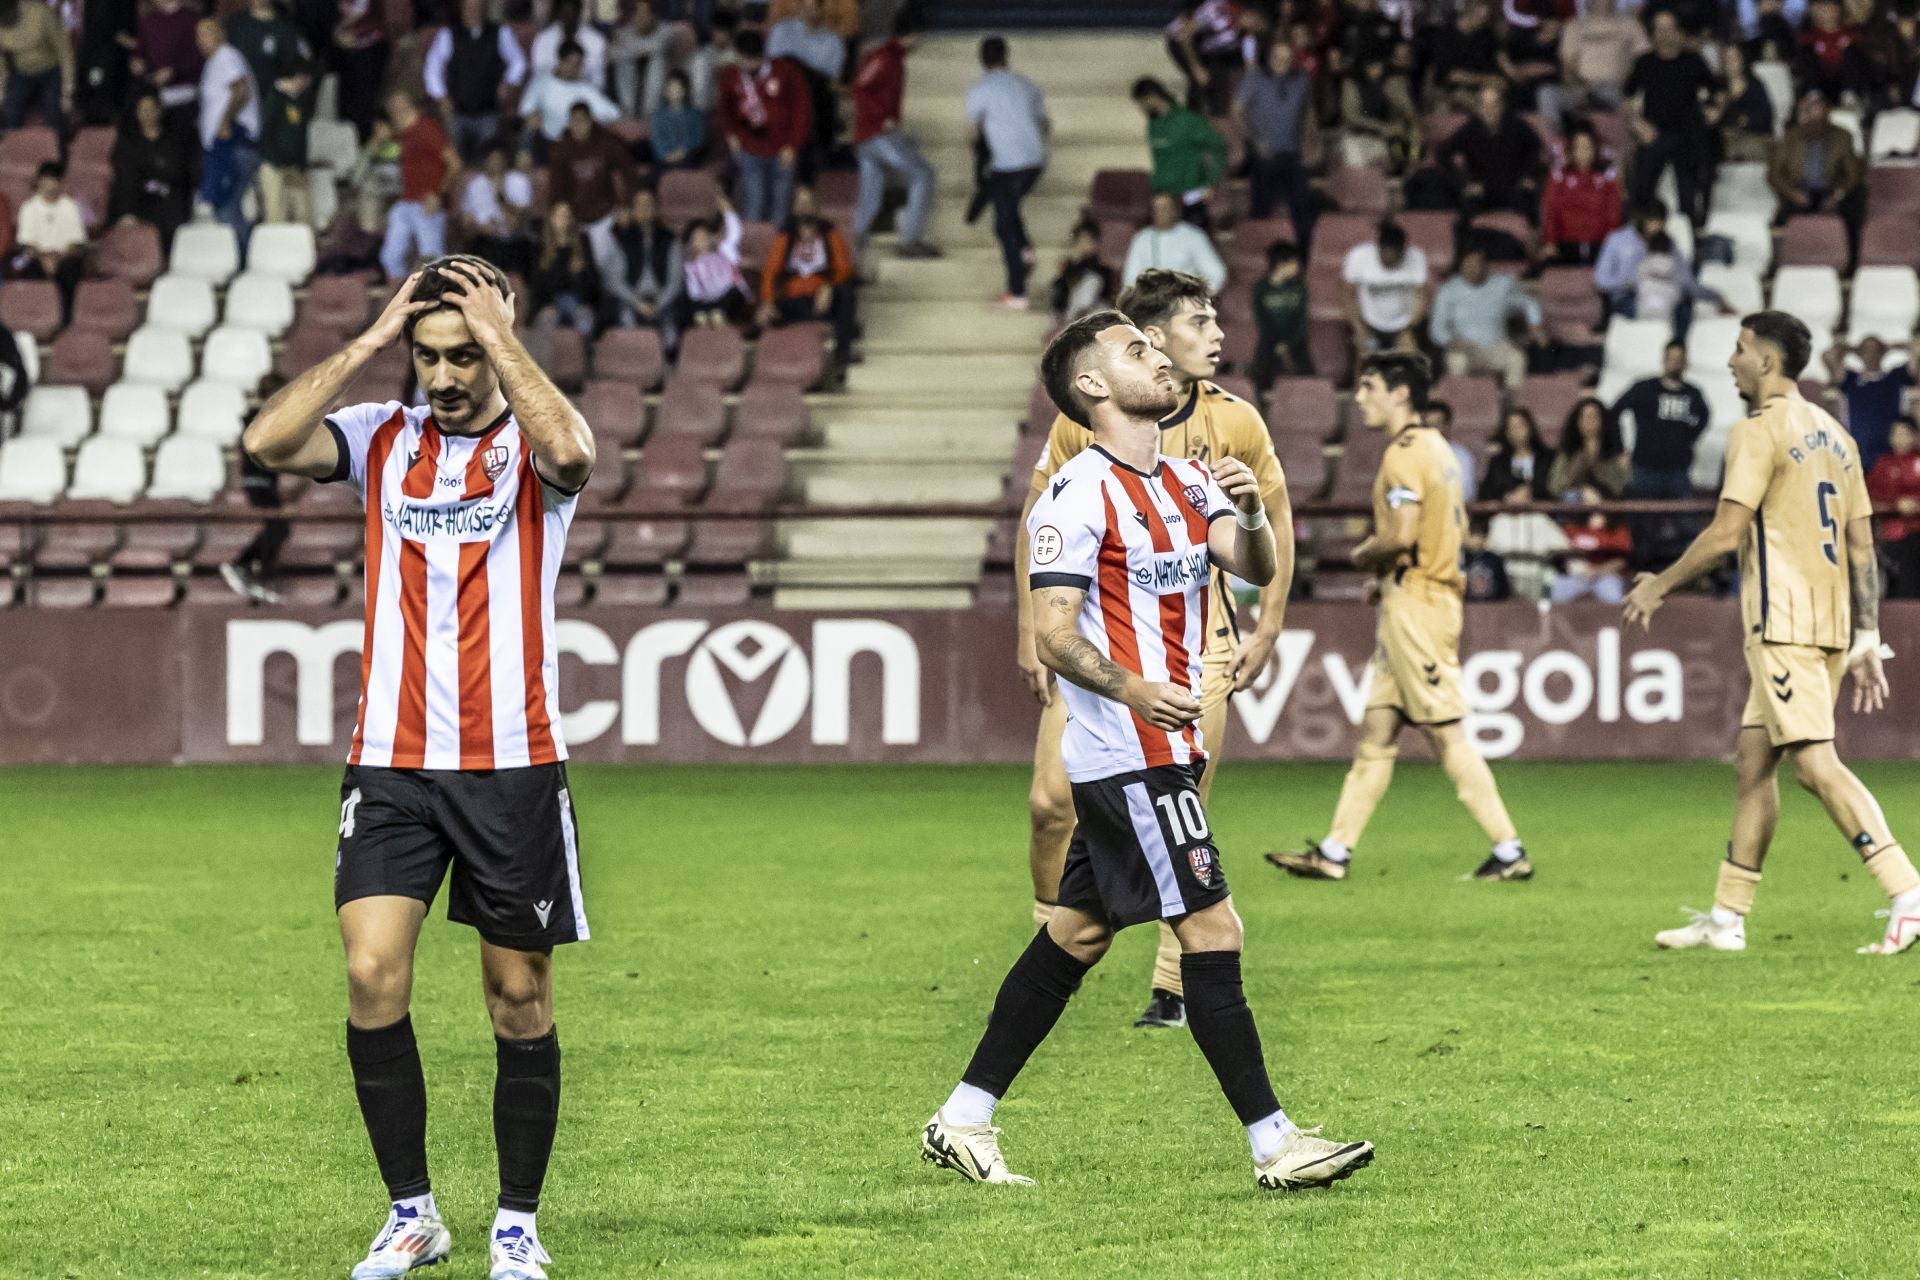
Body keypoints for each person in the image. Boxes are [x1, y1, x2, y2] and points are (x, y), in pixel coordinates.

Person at [926, 308, 1371, 1194]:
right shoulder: (1076, 493)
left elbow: (1254, 565)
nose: (1159, 356)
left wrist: (1249, 509)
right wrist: (1133, 689)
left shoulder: (1184, 481)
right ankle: (1274, 1144)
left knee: (1077, 932)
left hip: (1158, 746)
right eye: (1137, 350)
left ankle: (963, 1116)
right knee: (1215, 927)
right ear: (1092, 387)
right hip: (1128, 752)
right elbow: (1053, 634)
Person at [239, 255, 595, 1280]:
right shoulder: (381, 438)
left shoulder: (532, 447)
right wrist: (366, 337)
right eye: (427, 354)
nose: (443, 376)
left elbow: (574, 450)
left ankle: (517, 1223)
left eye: (461, 354)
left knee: (516, 997)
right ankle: (413, 1213)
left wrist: (502, 339)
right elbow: (266, 442)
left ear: (496, 346)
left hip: (512, 763)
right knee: (369, 972)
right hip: (388, 760)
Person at [1017, 270, 1294, 1031]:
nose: (1215, 337)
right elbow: (1041, 532)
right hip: (1104, 656)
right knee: (1053, 808)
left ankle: (1173, 986)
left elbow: (1266, 530)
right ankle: (1051, 948)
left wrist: (1267, 619)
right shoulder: (1087, 445)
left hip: (1194, 647)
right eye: (1197, 323)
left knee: (1184, 823)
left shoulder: (1230, 427)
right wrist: (1037, 631)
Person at [1626, 310, 1920, 957]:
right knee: (1754, 765)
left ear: (1765, 359)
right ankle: (1728, 918)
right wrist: (1867, 633)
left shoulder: (1757, 431)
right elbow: (1863, 548)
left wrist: (1659, 584)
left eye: (1738, 349)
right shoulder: (1837, 436)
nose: (1731, 360)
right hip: (1831, 621)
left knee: (1816, 766)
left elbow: (1727, 533)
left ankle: (1906, 890)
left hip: (1782, 622)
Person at [1267, 352, 1533, 884]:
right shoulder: (1439, 449)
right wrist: (1384, 579)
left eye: (1369, 387)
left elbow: (1402, 535)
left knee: (1449, 735)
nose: (1360, 397)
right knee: (1377, 736)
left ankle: (1510, 851)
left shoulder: (1405, 454)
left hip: (1420, 607)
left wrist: (1365, 554)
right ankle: (1335, 853)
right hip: (1411, 598)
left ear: (1400, 393)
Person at [964, 35, 1048, 310]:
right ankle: (1024, 251)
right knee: (1008, 208)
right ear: (1006, 56)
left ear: (982, 60)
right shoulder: (1026, 85)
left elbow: (973, 131)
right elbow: (1045, 123)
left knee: (1003, 224)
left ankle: (1017, 292)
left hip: (1008, 165)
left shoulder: (980, 90)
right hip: (1034, 162)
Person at [1615, 340, 1711, 571]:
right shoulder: (1644, 388)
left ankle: (1689, 574)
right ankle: (1641, 571)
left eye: (1680, 359)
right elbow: (1614, 411)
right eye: (1672, 358)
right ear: (1664, 359)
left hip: (1677, 471)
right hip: (1645, 469)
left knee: (1687, 525)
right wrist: (1619, 449)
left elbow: (1704, 419)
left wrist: (1688, 441)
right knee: (1641, 526)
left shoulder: (1693, 394)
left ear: (1686, 362)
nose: (1675, 363)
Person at [851, 19, 939, 259]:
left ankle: (854, 248)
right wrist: (882, 117)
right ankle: (910, 239)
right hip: (876, 134)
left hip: (869, 135)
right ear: (910, 35)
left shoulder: (892, 58)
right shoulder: (885, 58)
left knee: (870, 193)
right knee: (923, 174)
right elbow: (860, 86)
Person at [227, 0, 316, 226]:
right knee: (271, 209)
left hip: (289, 158)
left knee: (300, 214)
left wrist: (298, 162)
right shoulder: (235, 25)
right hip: (248, 128)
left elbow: (302, 67)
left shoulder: (285, 30)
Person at [1624, 10, 1716, 227]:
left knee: (1688, 196)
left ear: (1678, 32)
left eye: (1668, 28)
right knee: (1642, 191)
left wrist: (1714, 110)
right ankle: (1642, 236)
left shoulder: (1693, 61)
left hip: (1687, 136)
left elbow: (1715, 90)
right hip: (1653, 134)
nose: (1664, 34)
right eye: (1659, 29)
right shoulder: (1644, 63)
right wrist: (1638, 124)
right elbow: (1627, 98)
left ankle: (1689, 243)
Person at [715, 28, 811, 227]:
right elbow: (725, 111)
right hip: (750, 149)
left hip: (783, 150)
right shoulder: (730, 76)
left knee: (781, 209)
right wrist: (731, 135)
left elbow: (802, 111)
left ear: (762, 55)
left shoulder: (786, 71)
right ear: (737, 55)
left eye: (753, 60)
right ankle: (754, 255)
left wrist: (793, 145)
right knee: (754, 206)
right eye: (744, 59)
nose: (749, 64)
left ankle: (777, 256)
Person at [757, 185, 857, 360]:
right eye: (800, 203)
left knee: (847, 293)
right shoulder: (785, 235)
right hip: (793, 298)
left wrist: (829, 287)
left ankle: (842, 352)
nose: (804, 206)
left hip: (822, 298)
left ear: (816, 207)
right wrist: (768, 301)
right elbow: (770, 272)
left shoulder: (829, 232)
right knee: (764, 316)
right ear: (794, 207)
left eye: (808, 202)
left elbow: (844, 268)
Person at [548, 100, 641, 286]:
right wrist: (560, 216)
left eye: (582, 121)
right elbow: (556, 188)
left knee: (604, 267)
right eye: (574, 121)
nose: (578, 126)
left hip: (603, 215)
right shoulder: (562, 148)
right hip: (575, 220)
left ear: (590, 121)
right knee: (580, 270)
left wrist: (627, 205)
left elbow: (629, 172)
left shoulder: (605, 142)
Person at [423, 0, 529, 162]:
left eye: (477, 7)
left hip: (488, 111)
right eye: (469, 7)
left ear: (484, 9)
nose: (473, 11)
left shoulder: (500, 32)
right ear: (462, 9)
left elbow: (518, 61)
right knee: (454, 162)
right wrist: (441, 96)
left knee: (487, 162)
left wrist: (508, 82)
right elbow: (432, 67)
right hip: (456, 112)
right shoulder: (448, 34)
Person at [1429, 241, 1544, 389]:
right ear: (1461, 266)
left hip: (1497, 345)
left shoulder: (1503, 284)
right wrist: (1450, 340)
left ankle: (1511, 407)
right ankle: (1462, 405)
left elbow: (1528, 303)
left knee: (1517, 358)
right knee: (1456, 360)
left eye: (1478, 263)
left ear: (1485, 265)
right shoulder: (1448, 290)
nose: (1473, 269)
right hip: (1465, 347)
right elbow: (1436, 329)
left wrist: (1535, 324)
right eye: (1468, 264)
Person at [1233, 39, 1313, 246]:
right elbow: (1237, 111)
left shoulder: (1301, 79)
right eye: (1278, 58)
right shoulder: (1254, 78)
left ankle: (1302, 258)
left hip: (1292, 153)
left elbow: (1308, 113)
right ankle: (1259, 250)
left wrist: (1311, 141)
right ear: (1269, 58)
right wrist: (1255, 141)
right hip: (1264, 153)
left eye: (1287, 58)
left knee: (1303, 206)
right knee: (1262, 207)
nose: (1282, 62)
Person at [1768, 89, 1864, 253]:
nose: (1815, 115)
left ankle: (1850, 262)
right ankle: (1782, 262)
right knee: (1782, 216)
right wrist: (1792, 193)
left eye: (1819, 109)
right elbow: (1774, 174)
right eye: (1811, 110)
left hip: (1830, 190)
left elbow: (1853, 174)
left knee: (1852, 207)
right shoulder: (1790, 137)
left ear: (1828, 112)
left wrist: (1838, 193)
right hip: (1799, 190)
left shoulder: (1842, 136)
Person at [198, 16, 261, 256]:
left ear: (221, 33)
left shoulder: (226, 56)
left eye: (207, 32)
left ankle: (243, 260)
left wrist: (225, 122)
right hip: (223, 144)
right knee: (224, 206)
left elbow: (241, 89)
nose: (201, 40)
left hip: (233, 143)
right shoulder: (216, 61)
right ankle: (238, 258)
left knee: (227, 206)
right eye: (199, 35)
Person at [380, 91, 459, 283]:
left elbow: (455, 163)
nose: (394, 110)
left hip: (427, 204)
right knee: (390, 257)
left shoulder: (427, 128)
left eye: (397, 105)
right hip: (406, 202)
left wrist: (438, 196)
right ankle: (399, 298)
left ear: (408, 106)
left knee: (432, 260)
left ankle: (434, 301)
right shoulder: (405, 134)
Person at [1436, 80, 1544, 220]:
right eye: (1484, 105)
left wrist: (1528, 175)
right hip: (1482, 190)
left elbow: (1535, 147)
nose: (1488, 110)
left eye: (1493, 105)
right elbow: (1443, 153)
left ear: (1502, 105)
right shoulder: (1470, 129)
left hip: (1512, 188)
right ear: (1479, 107)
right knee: (1463, 217)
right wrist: (1464, 184)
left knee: (1529, 210)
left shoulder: (1516, 125)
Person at [1131, 76, 1227, 230]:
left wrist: (1211, 181)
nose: (1141, 109)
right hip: (1165, 196)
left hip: (1189, 194)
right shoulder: (1153, 124)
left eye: (1141, 103)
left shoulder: (1187, 120)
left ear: (1153, 98)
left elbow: (1217, 146)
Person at [107, 90, 193, 249]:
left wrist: (154, 175)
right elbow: (126, 175)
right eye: (142, 110)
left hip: (168, 201)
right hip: (139, 201)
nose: (146, 114)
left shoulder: (174, 141)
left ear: (159, 110)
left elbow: (177, 172)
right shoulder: (129, 142)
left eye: (150, 109)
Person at [1542, 0, 1647, 123]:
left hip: (1618, 88)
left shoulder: (1630, 24)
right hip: (1581, 89)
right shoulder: (1574, 26)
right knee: (1546, 93)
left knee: (1607, 88)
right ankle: (1555, 141)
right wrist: (1578, 86)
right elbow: (1567, 67)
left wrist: (1630, 83)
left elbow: (1645, 60)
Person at [1823, 335, 1914, 469]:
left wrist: (1893, 346)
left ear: (1882, 352)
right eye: (1865, 349)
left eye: (1875, 349)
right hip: (1856, 455)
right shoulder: (1851, 379)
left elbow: (1917, 349)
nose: (1870, 353)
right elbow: (1829, 356)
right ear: (1859, 353)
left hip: (1889, 457)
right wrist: (1851, 348)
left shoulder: (1895, 377)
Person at [1538, 124, 1622, 267]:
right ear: (1571, 151)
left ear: (1595, 149)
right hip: (1566, 244)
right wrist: (1550, 242)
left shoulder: (1607, 178)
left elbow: (1613, 214)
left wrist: (1612, 246)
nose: (1584, 152)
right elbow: (1551, 210)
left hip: (1600, 245)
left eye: (1588, 147)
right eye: (1579, 148)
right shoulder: (1559, 177)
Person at [1342, 219, 1428, 358]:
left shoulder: (1417, 257)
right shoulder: (1358, 256)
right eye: (1384, 256)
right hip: (1369, 322)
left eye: (1394, 259)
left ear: (1403, 252)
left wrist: (1409, 329)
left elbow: (1421, 298)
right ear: (1378, 248)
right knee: (1365, 361)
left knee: (1409, 359)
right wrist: (1359, 327)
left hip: (1403, 323)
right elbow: (1347, 295)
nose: (1388, 261)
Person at [13, 162, 86, 324]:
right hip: (37, 257)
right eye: (45, 182)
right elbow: (27, 244)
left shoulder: (71, 206)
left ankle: (66, 322)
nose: (48, 187)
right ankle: (34, 320)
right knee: (28, 268)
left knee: (70, 270)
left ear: (60, 183)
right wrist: (43, 259)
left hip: (64, 257)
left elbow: (76, 243)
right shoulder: (29, 208)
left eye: (52, 181)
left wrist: (57, 259)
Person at [608, 186, 683, 337]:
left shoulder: (669, 239)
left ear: (655, 210)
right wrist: (637, 303)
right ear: (633, 210)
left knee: (671, 334)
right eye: (639, 205)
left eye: (648, 205)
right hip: (633, 298)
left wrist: (658, 304)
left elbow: (676, 280)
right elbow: (614, 280)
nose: (644, 209)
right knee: (626, 322)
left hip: (661, 297)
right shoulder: (623, 240)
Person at [520, 40, 620, 150]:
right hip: (545, 140)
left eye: (580, 65)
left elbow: (613, 113)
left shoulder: (585, 90)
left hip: (572, 144)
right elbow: (525, 108)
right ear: (560, 61)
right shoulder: (542, 80)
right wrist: (533, 114)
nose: (578, 69)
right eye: (574, 64)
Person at [674, 196, 752, 333]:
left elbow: (734, 231)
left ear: (711, 237)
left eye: (704, 235)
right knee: (695, 308)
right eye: (696, 238)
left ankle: (719, 317)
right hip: (708, 303)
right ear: (691, 244)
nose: (702, 240)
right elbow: (695, 294)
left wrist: (727, 210)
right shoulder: (690, 267)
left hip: (728, 296)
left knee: (734, 294)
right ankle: (707, 323)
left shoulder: (725, 250)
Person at [1121, 192, 1227, 292]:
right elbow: (1130, 277)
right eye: (1156, 209)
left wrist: (1195, 296)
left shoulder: (1193, 236)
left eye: (1165, 208)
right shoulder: (1142, 238)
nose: (1160, 213)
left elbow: (1217, 274)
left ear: (1175, 210)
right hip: (1150, 302)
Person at [221, 453, 289, 604]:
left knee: (279, 527)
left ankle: (255, 570)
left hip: (265, 483)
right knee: (279, 526)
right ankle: (246, 566)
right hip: (258, 483)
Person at [459, 144, 535, 277]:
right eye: (492, 159)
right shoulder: (475, 185)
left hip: (515, 241)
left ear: (506, 160)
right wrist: (480, 228)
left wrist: (501, 195)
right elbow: (466, 222)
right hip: (485, 241)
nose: (496, 163)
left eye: (499, 159)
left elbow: (516, 223)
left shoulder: (519, 181)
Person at [133, 0, 203, 140]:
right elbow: (141, 52)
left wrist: (174, 71)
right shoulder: (148, 20)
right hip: (155, 95)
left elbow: (199, 55)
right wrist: (138, 63)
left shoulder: (192, 19)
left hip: (185, 95)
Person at [1337, 53, 1420, 173]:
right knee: (1356, 165)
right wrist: (1380, 127)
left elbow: (1410, 115)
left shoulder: (1392, 82)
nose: (1375, 69)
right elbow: (1350, 115)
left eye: (1378, 65)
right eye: (1370, 66)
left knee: (1411, 137)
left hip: (1387, 139)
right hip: (1358, 136)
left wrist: (1399, 99)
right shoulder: (1351, 83)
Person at [531, 201, 603, 335]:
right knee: (547, 319)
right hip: (551, 303)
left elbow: (594, 282)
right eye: (559, 216)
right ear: (551, 219)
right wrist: (546, 305)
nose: (563, 220)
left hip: (578, 302)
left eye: (567, 216)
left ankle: (585, 354)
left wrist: (580, 273)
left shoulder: (583, 242)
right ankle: (546, 356)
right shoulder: (541, 246)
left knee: (584, 318)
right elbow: (537, 285)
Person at [1867, 416, 1920, 597]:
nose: (1899, 438)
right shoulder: (1882, 464)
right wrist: (1895, 506)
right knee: (1904, 574)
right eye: (1895, 433)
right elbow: (1868, 502)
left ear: (1915, 436)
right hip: (1894, 534)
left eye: (1904, 433)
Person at [0, 0, 73, 132]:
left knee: (53, 115)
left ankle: (57, 147)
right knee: (9, 115)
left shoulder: (40, 13)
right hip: (20, 72)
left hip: (51, 70)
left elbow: (65, 52)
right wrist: (1, 92)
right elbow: (1, 63)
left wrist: (67, 91)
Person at [1250, 239, 1309, 388]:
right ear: (1281, 264)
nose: (1297, 267)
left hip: (1295, 338)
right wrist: (1276, 342)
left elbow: (1301, 319)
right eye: (1294, 263)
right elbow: (1260, 318)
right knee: (1262, 371)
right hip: (1270, 339)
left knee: (1306, 373)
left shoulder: (1299, 287)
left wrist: (1288, 342)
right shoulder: (1260, 288)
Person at [1706, 42, 1775, 165]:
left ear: (1742, 60)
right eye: (1726, 58)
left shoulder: (1755, 86)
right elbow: (1709, 117)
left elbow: (1766, 116)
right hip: (1722, 138)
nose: (1730, 62)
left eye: (1734, 58)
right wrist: (1719, 108)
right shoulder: (1717, 87)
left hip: (1751, 137)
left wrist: (1743, 121)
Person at [332, 0, 390, 144]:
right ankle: (348, 142)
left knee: (365, 103)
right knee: (346, 104)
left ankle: (366, 141)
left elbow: (361, 10)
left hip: (370, 50)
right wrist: (337, 35)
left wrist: (340, 30)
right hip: (344, 53)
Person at [1548, 396, 1629, 498]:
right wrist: (1581, 492)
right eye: (1584, 417)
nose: (1589, 421)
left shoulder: (1614, 454)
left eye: (1593, 416)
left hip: (1607, 506)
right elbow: (1555, 487)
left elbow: (1620, 488)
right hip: (1573, 508)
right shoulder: (1567, 453)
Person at [609, 0, 672, 118]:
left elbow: (659, 47)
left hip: (661, 90)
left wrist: (631, 51)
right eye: (638, 12)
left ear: (653, 14)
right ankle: (628, 110)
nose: (641, 16)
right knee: (624, 63)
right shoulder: (624, 32)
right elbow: (612, 55)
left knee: (657, 61)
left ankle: (650, 113)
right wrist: (636, 53)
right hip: (632, 82)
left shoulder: (667, 30)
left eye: (645, 12)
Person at [1477, 406, 1555, 502]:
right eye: (1511, 427)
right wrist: (1505, 497)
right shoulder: (1498, 461)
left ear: (1530, 428)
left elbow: (1553, 488)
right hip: (1506, 512)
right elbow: (1486, 492)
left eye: (1520, 426)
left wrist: (1530, 493)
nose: (1516, 431)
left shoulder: (1546, 458)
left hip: (1539, 511)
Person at [528, 0, 607, 91]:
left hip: (584, 92)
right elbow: (539, 72)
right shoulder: (543, 39)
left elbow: (598, 79)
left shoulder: (596, 40)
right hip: (551, 92)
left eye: (572, 12)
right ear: (558, 13)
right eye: (565, 13)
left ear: (579, 12)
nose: (569, 17)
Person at [1047, 219, 1113, 324]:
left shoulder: (1101, 269)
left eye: (1088, 240)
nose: (1084, 244)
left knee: (1093, 281)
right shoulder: (1068, 264)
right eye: (1081, 240)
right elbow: (1059, 291)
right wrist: (1074, 261)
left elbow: (1103, 294)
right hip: (1068, 312)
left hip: (1091, 311)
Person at [649, 69, 707, 169]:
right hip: (665, 157)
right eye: (671, 88)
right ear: (665, 91)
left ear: (685, 90)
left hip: (688, 156)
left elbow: (698, 139)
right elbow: (657, 140)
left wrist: (683, 152)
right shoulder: (659, 115)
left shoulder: (696, 114)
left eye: (678, 88)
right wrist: (666, 156)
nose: (675, 92)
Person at [1424, 400, 1480, 497]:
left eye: (1437, 425)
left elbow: (1468, 493)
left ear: (1447, 427)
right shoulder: (1412, 454)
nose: (1431, 430)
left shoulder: (1461, 456)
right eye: (1427, 426)